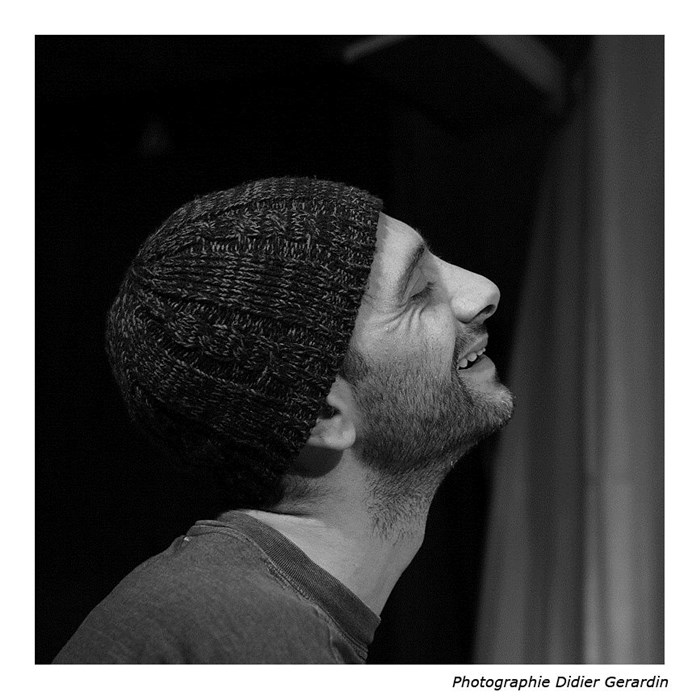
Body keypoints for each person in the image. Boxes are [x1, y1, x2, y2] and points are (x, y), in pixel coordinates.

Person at [53, 176, 513, 664]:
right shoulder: (252, 636)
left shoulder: (238, 610)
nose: (483, 291)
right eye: (419, 291)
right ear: (324, 416)